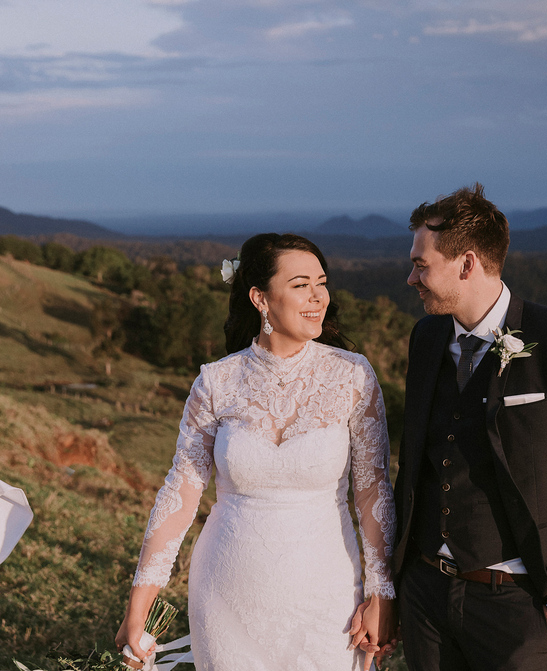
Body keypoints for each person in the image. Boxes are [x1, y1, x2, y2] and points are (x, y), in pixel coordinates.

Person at [116, 233, 397, 671]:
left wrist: (383, 593)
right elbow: (180, 494)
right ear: (259, 298)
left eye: (322, 283)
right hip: (225, 594)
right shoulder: (216, 381)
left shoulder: (352, 375)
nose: (318, 297)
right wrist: (138, 608)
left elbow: (372, 490)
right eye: (301, 284)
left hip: (329, 600)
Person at [393, 184, 547, 671]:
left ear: (467, 264)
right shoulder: (426, 336)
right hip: (425, 596)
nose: (410, 277)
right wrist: (402, 582)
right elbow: (415, 464)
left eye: (421, 264)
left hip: (515, 607)